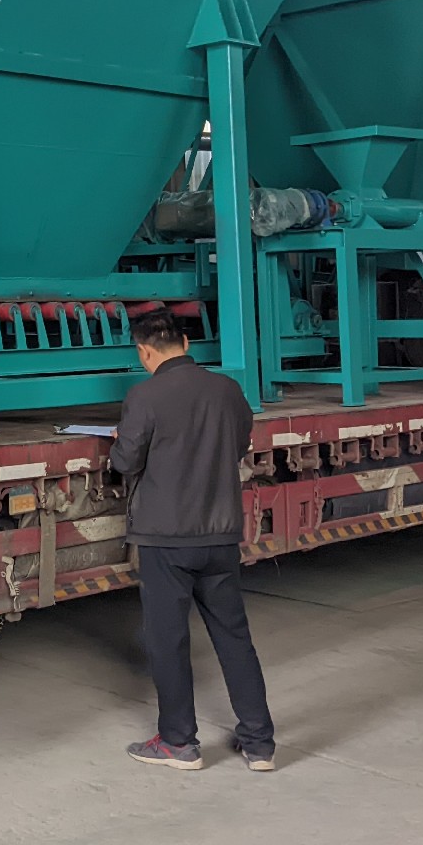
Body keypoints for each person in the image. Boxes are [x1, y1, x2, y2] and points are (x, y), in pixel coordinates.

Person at [110, 308, 275, 772]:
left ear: (144, 352)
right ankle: (259, 743)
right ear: (185, 342)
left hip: (166, 539)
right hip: (220, 535)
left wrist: (121, 441)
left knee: (168, 641)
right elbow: (238, 443)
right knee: (234, 638)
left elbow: (125, 462)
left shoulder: (144, 396)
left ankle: (179, 742)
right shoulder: (228, 390)